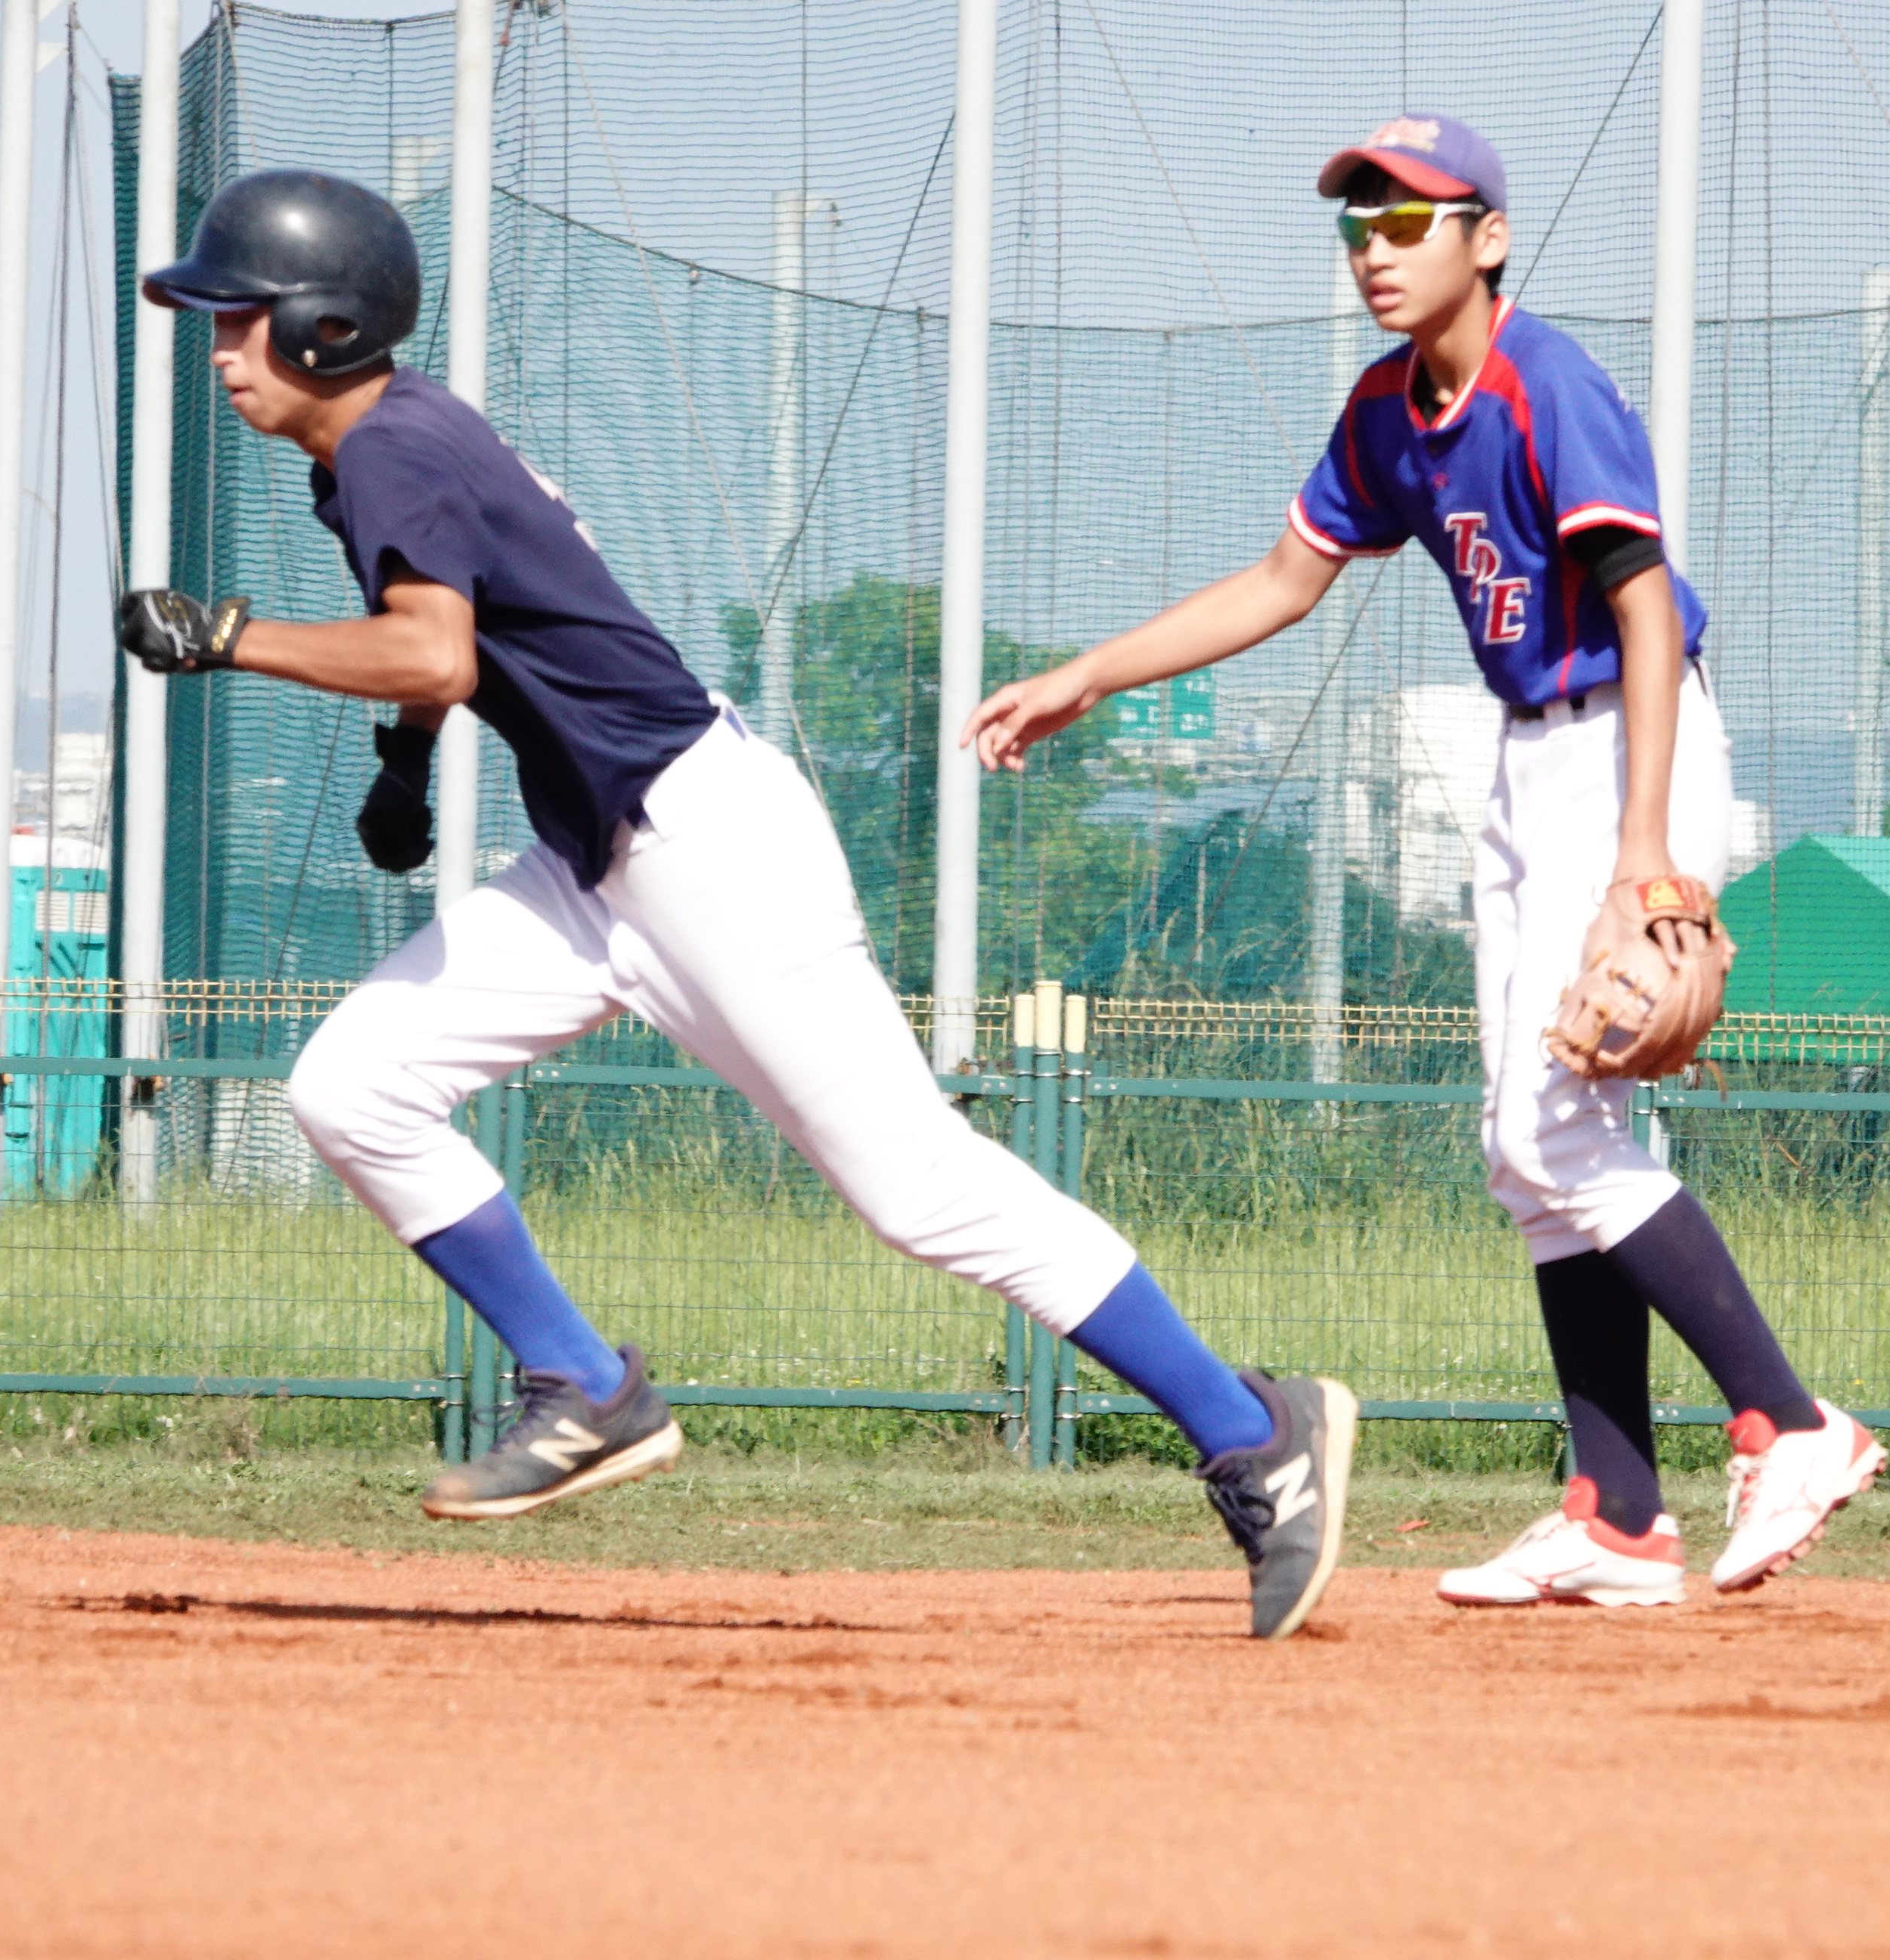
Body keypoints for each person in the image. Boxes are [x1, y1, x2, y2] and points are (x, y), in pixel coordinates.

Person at [119, 168, 1355, 1641]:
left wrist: (231, 637)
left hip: (705, 848)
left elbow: (434, 651)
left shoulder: (391, 447)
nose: (221, 347)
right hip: (599, 862)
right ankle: (585, 1384)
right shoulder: (383, 448)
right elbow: (453, 636)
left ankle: (1254, 1433)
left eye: (240, 318)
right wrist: (403, 764)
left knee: (924, 1191)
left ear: (325, 327)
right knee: (354, 1084)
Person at [966, 116, 1882, 1605]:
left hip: (1630, 743)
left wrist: (1645, 854)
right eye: (1360, 226)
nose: (1377, 252)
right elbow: (1285, 580)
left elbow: (1647, 611)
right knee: (1529, 1155)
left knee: (1554, 1136)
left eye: (1410, 222)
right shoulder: (1387, 412)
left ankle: (1791, 1422)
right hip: (1529, 759)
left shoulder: (1547, 384)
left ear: (1488, 238)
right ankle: (1617, 1515)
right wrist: (1091, 675)